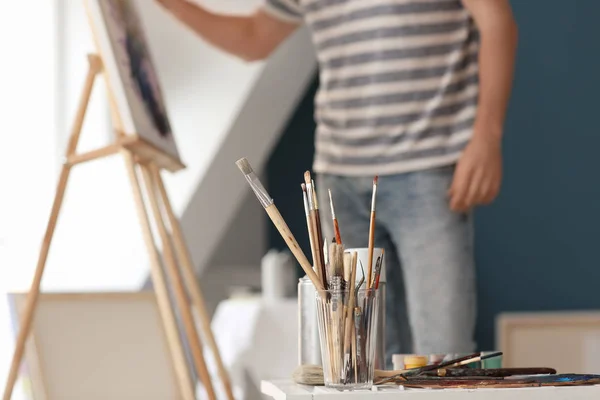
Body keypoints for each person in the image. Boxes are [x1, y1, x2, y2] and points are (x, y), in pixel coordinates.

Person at [155, 0, 518, 366]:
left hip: (430, 169)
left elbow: (496, 20)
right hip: (337, 179)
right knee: (358, 358)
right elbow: (254, 38)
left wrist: (487, 135)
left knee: (447, 354)